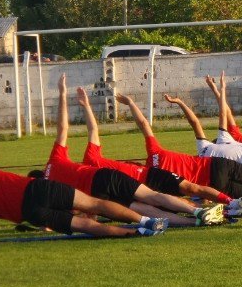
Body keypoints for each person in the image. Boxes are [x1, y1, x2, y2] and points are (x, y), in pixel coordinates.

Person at [0, 87, 167, 242]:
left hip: (31, 212)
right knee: (94, 204)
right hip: (39, 187)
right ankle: (146, 221)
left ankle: (134, 234)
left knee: (84, 226)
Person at [41, 75, 225, 227]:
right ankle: (199, 211)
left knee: (140, 207)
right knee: (156, 197)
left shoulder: (53, 192)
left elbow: (74, 210)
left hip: (100, 193)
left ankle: (193, 221)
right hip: (110, 178)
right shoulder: (70, 160)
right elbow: (83, 130)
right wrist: (71, 99)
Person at [120, 93, 242, 208]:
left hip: (212, 184)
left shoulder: (153, 182)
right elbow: (145, 123)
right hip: (218, 165)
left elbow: (179, 196)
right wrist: (132, 103)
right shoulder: (159, 152)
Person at [76, 87, 242, 212]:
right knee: (173, 199)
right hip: (148, 185)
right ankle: (210, 209)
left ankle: (223, 204)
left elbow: (142, 125)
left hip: (158, 179)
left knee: (187, 191)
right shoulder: (90, 173)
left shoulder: (152, 155)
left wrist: (130, 104)